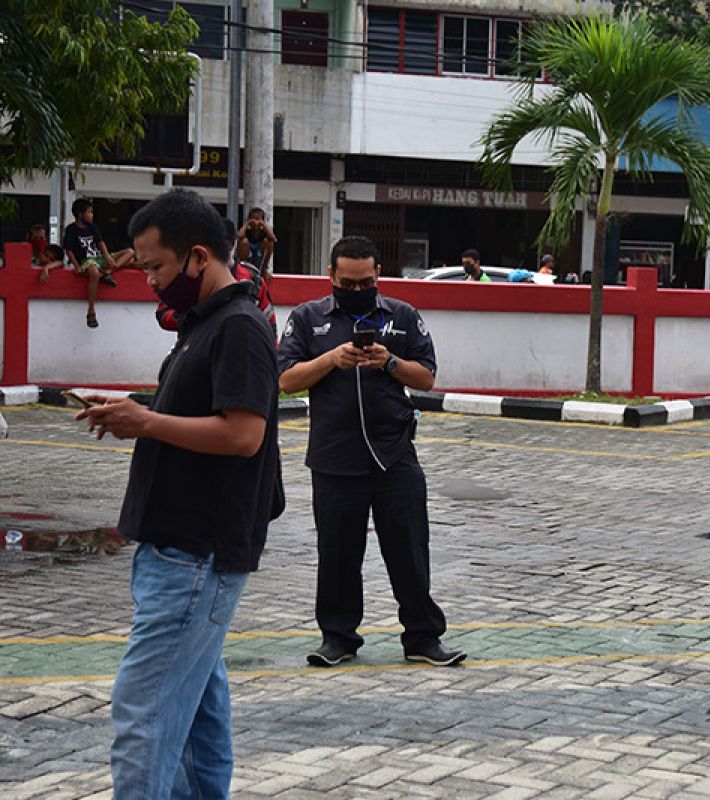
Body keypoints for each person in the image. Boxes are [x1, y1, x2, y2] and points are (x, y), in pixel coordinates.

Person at [75, 189, 281, 797]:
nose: (150, 283)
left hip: (196, 556)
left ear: (197, 257)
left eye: (155, 268)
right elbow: (193, 415)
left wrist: (146, 422)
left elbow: (244, 435)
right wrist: (133, 412)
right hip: (177, 552)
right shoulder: (205, 324)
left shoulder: (239, 326)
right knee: (195, 720)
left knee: (144, 717)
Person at [278, 236, 466, 669]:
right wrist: (332, 359)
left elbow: (427, 378)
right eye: (347, 282)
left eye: (365, 282)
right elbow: (286, 379)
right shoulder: (308, 319)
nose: (357, 289)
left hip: (394, 454)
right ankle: (338, 638)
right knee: (338, 554)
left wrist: (389, 362)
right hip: (334, 456)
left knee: (410, 550)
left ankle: (422, 637)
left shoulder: (402, 316)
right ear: (331, 276)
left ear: (378, 274)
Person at [158, 218, 276, 336]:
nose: (224, 250)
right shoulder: (189, 275)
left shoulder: (252, 279)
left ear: (233, 245)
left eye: (228, 244)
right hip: (196, 347)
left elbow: (269, 324)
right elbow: (163, 313)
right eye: (217, 245)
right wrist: (190, 318)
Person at [63, 198, 135, 328]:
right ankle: (91, 311)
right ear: (80, 214)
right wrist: (77, 266)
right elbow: (69, 250)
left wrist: (107, 256)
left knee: (129, 252)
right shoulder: (71, 229)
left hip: (99, 258)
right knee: (94, 271)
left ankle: (107, 273)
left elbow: (100, 243)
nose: (92, 215)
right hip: (86, 261)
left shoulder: (93, 227)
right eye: (89, 212)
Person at [236, 207, 277, 276]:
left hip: (259, 253)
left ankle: (264, 269)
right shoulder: (246, 230)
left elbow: (274, 239)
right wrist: (247, 223)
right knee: (244, 241)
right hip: (248, 253)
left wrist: (263, 224)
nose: (255, 222)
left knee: (268, 242)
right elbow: (238, 236)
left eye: (258, 219)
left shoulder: (264, 231)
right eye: (253, 219)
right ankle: (242, 268)